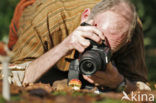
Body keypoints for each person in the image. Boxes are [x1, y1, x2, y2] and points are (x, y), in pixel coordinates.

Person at [7, 0, 150, 93]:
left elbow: (144, 92)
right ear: (85, 17)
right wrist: (64, 46)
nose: (97, 51)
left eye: (107, 50)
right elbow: (10, 78)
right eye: (96, 40)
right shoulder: (49, 19)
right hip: (28, 16)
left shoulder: (131, 29)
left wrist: (119, 82)